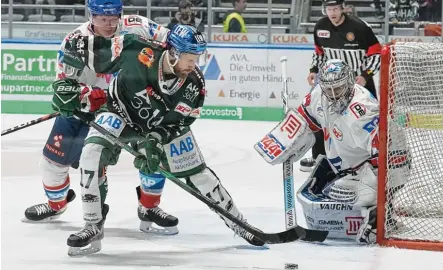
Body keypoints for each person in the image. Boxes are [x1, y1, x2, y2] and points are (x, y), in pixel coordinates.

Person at [56, 24, 266, 256]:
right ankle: (93, 223)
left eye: (196, 58)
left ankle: (240, 224)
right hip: (118, 113)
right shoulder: (135, 49)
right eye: (189, 58)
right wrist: (69, 85)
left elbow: (179, 124)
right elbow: (80, 47)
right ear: (174, 52)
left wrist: (155, 141)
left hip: (158, 128)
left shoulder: (194, 85)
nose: (193, 65)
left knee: (200, 175)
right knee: (91, 154)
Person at [22, 0, 179, 235]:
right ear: (91, 16)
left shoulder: (137, 26)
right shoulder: (75, 41)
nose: (108, 24)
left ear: (120, 14)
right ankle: (57, 204)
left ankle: (148, 207)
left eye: (113, 18)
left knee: (152, 153)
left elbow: (173, 44)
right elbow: (64, 85)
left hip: (134, 108)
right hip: (87, 112)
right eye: (102, 19)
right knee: (52, 163)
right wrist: (84, 96)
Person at [255, 59, 380, 244]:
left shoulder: (364, 109)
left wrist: (379, 187)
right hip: (344, 165)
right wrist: (285, 142)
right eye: (327, 89)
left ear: (349, 83)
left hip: (369, 167)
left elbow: (386, 150)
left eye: (337, 89)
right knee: (320, 188)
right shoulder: (318, 95)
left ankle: (378, 218)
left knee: (355, 192)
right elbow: (304, 120)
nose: (332, 95)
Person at [301, 0, 382, 172]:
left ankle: (367, 160)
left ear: (343, 8)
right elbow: (319, 53)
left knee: (365, 121)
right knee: (320, 116)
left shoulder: (360, 27)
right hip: (331, 85)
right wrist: (314, 70)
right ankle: (319, 159)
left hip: (357, 84)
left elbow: (376, 54)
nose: (332, 12)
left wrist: (365, 75)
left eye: (335, 8)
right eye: (329, 9)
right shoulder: (321, 26)